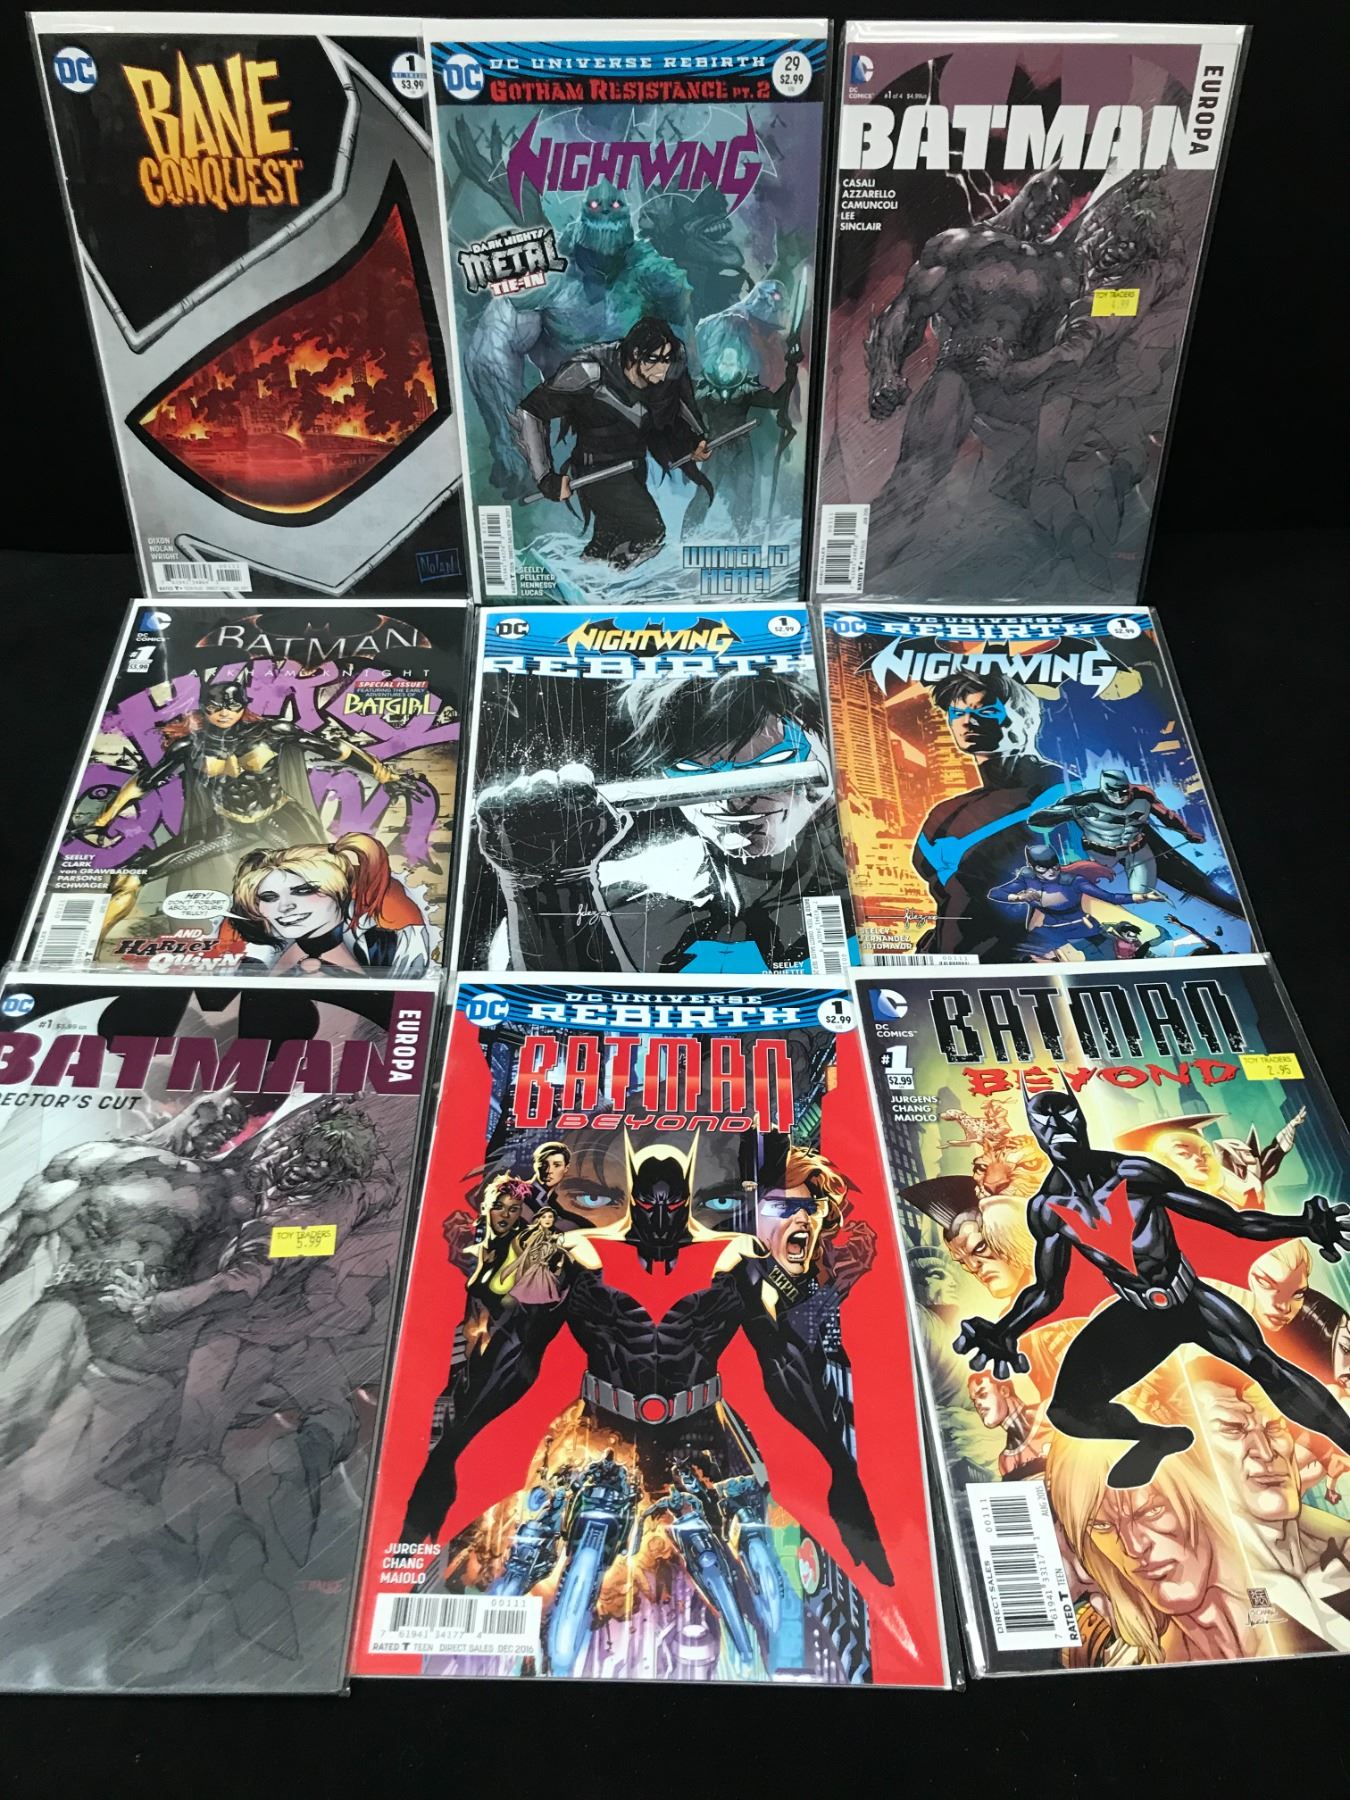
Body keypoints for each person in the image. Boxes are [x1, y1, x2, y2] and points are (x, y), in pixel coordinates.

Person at [952, 1083, 1350, 1490]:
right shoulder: (1047, 1209)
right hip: (1138, 1316)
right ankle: (1157, 1439)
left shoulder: (1135, 1173)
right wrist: (1006, 1330)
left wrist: (1304, 1225)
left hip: (1190, 1301)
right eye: (1046, 1121)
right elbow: (1048, 1290)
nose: (1058, 1127)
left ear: (1082, 1119)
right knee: (1068, 1412)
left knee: (1269, 1369)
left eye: (1066, 1115)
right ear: (1036, 1132)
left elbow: (1234, 1221)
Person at [474, 669, 845, 974]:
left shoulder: (868, 885)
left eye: (770, 761)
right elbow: (544, 1026)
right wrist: (548, 888)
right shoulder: (625, 899)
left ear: (823, 750)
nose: (731, 803)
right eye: (691, 770)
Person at [1048, 1431, 1257, 1664]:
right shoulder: (1123, 1660)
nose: (1134, 1547)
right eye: (1102, 1525)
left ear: (1199, 1498)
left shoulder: (1284, 1612)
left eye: (1151, 1511)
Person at [517, 316, 710, 567]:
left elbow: (682, 407)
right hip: (596, 471)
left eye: (667, 360)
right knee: (649, 531)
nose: (663, 370)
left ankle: (591, 575)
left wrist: (694, 441)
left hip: (633, 467)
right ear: (636, 354)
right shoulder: (589, 371)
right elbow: (531, 412)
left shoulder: (668, 368)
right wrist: (545, 477)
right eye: (655, 360)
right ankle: (616, 576)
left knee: (606, 541)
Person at [908, 669, 1068, 960]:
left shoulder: (1062, 790)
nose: (967, 721)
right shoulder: (945, 814)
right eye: (957, 713)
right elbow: (955, 899)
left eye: (987, 711)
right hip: (952, 961)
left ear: (1028, 720)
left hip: (1026, 962)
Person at [215, 833, 430, 976]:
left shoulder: (387, 947)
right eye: (269, 897)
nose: (285, 907)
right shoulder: (254, 955)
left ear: (339, 892)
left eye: (303, 891)